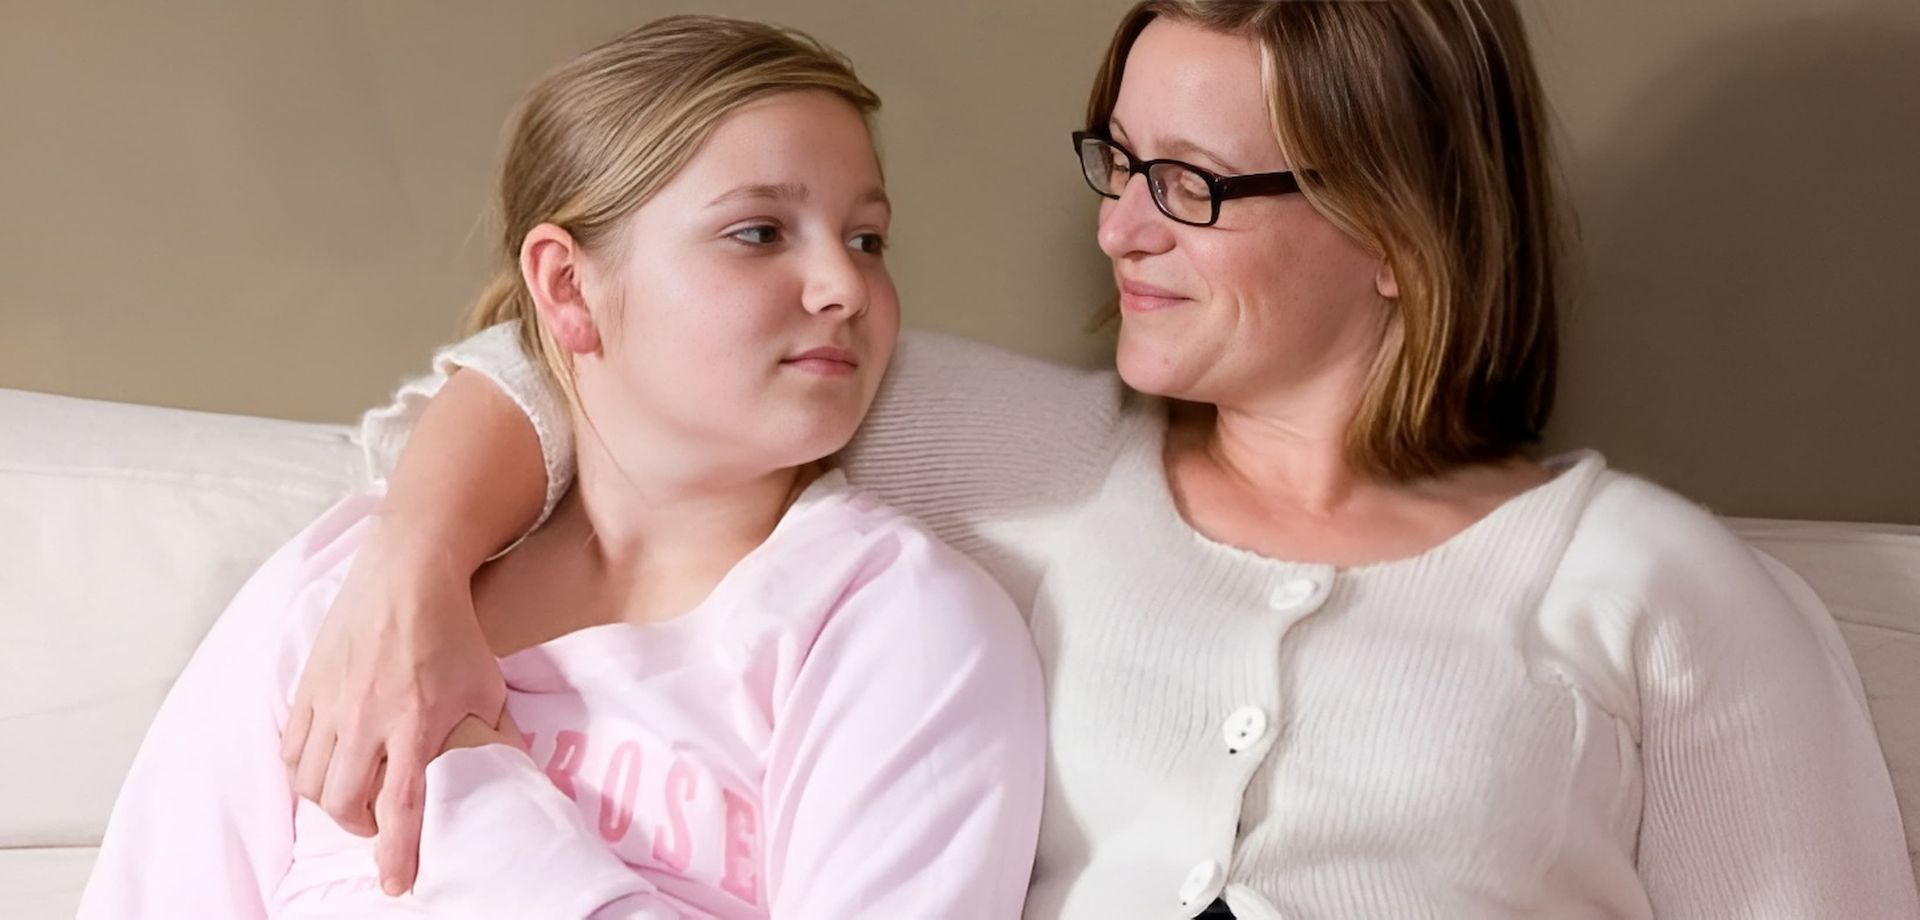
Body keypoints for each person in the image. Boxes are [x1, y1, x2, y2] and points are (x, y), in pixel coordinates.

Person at [285, 1, 1920, 918]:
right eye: (1115, 159)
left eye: (1190, 184)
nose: (1118, 224)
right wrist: (410, 575)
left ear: (1397, 235)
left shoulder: (1663, 595)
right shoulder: (1004, 445)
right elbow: (573, 360)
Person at [77, 15, 1044, 919]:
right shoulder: (347, 589)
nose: (845, 287)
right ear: (568, 286)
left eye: (868, 239)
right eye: (759, 232)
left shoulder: (893, 621)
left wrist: (470, 787)